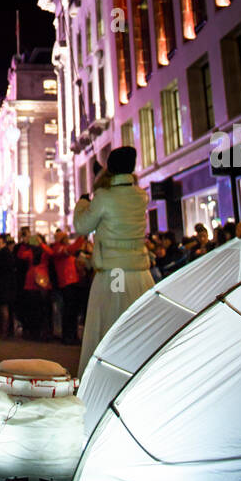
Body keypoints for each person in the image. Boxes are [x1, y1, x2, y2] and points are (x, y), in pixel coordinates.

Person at [74, 146, 154, 378]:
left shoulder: (104, 197)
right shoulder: (141, 195)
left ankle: (105, 379)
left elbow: (82, 227)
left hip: (113, 273)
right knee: (138, 330)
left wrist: (82, 203)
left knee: (109, 327)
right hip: (139, 273)